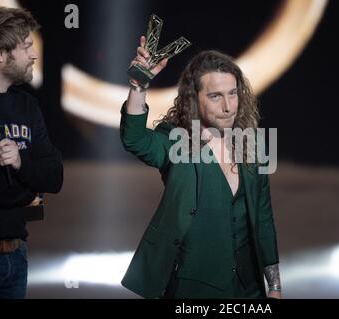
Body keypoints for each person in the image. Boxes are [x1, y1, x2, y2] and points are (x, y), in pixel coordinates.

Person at [120, 35, 281, 299]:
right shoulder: (177, 139)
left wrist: (274, 285)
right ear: (194, 99)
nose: (229, 107)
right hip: (193, 285)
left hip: (248, 286)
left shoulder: (254, 143)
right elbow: (135, 139)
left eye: (233, 94)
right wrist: (139, 84)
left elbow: (263, 217)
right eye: (216, 97)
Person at [0, 7, 63, 299]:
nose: (34, 55)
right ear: (1, 55)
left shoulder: (27, 105)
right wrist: (26, 192)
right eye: (26, 47)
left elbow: (54, 177)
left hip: (16, 256)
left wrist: (21, 164)